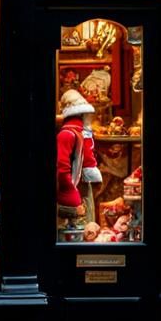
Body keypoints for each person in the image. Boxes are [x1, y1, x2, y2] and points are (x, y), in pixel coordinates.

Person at [57, 89, 102, 226]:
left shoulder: (79, 133)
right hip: (72, 188)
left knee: (85, 224)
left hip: (79, 185)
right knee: (76, 226)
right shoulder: (69, 134)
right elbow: (62, 168)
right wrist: (70, 192)